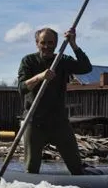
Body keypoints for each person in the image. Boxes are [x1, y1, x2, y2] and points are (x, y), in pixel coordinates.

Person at [18, 27, 92, 174]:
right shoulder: (29, 61)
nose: (47, 46)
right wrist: (40, 77)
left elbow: (86, 68)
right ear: (37, 43)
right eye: (43, 42)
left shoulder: (62, 60)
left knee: (76, 167)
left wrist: (73, 44)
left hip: (59, 121)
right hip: (35, 120)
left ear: (56, 44)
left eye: (50, 43)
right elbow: (22, 88)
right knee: (31, 168)